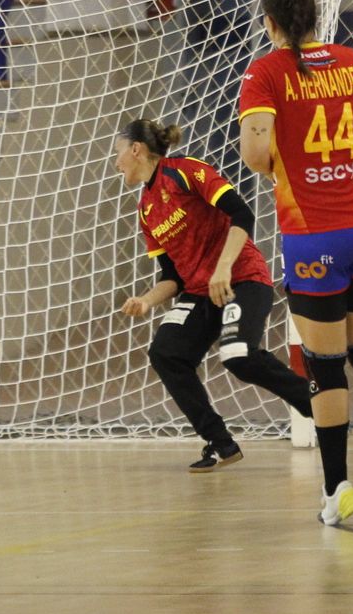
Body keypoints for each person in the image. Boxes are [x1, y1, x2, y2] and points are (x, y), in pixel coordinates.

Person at [238, 0, 353, 526]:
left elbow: (255, 153)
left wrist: (293, 162)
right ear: (315, 17)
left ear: (269, 21)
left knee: (324, 364)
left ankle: (337, 488)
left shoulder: (264, 73)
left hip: (315, 231)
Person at [116, 116, 316, 471]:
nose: (116, 163)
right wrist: (147, 300)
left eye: (118, 152)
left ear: (137, 150)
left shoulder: (185, 171)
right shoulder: (146, 210)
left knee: (238, 354)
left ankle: (318, 403)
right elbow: (172, 276)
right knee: (166, 353)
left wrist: (223, 268)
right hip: (199, 291)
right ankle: (220, 442)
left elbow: (242, 214)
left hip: (242, 278)